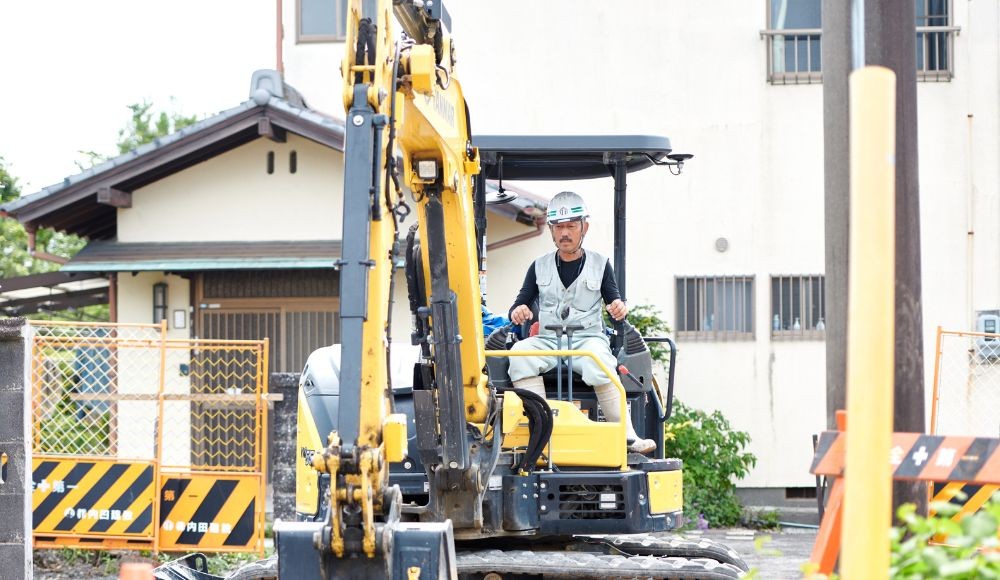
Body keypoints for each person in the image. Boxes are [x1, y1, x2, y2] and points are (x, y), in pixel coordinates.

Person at [507, 191, 656, 455]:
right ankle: (542, 430)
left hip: (588, 339)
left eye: (571, 226)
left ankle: (627, 436)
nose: (565, 233)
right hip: (548, 339)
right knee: (519, 355)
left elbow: (615, 305)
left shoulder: (600, 265)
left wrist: (618, 308)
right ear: (552, 231)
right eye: (559, 227)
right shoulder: (538, 266)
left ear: (583, 227)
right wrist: (518, 311)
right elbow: (521, 302)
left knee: (600, 361)